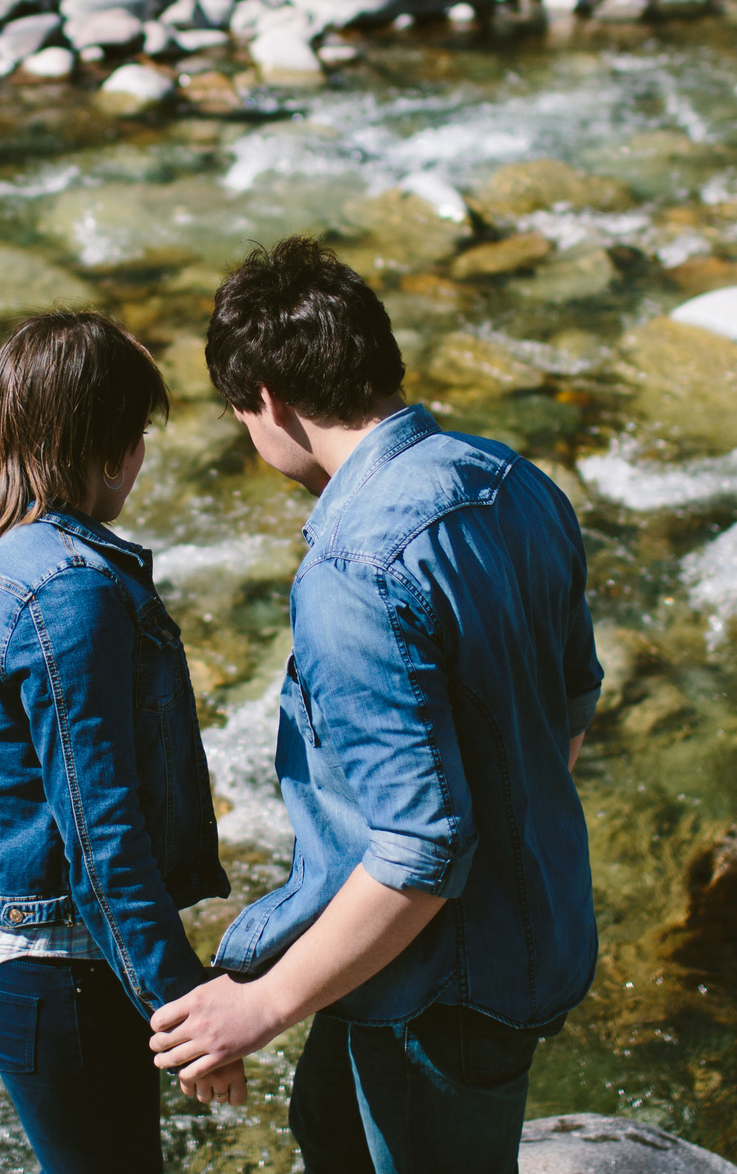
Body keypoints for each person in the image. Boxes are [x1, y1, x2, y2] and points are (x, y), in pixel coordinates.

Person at [147, 236, 603, 1174]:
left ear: (269, 400)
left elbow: (423, 851)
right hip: (524, 933)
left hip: (439, 986)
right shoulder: (516, 483)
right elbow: (573, 702)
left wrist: (258, 1006)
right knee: (329, 1125)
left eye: (241, 414)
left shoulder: (352, 571)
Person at [0, 310, 242, 1174]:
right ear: (108, 452)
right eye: (137, 437)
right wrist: (185, 1008)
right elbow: (103, 840)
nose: (140, 458)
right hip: (56, 965)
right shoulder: (72, 592)